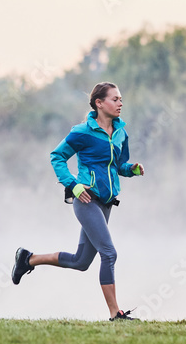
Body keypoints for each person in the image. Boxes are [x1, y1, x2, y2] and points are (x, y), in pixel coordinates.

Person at [12, 81, 145, 321]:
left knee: (80, 261)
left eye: (121, 99)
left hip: (106, 203)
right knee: (109, 253)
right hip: (85, 200)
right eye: (115, 99)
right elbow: (57, 156)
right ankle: (116, 314)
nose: (120, 103)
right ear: (99, 103)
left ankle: (28, 258)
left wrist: (132, 169)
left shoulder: (121, 133)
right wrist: (72, 185)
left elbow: (117, 166)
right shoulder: (82, 132)